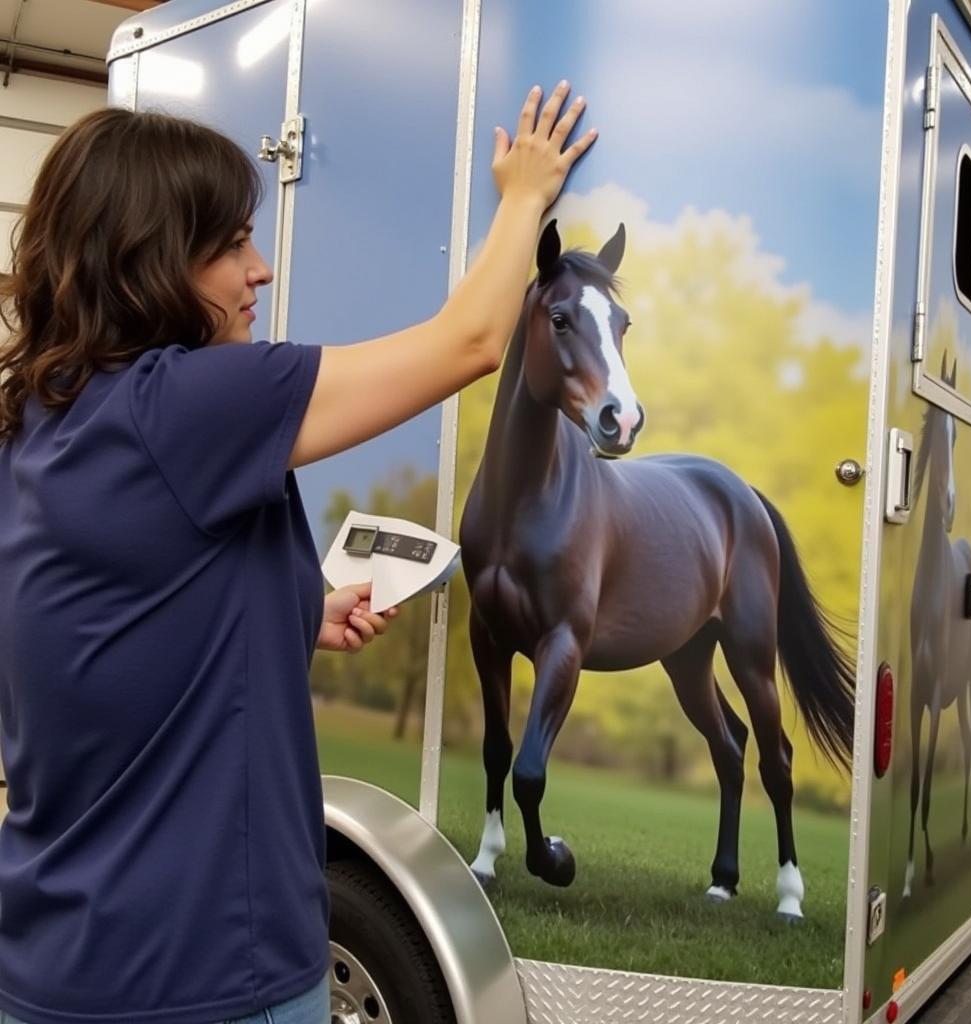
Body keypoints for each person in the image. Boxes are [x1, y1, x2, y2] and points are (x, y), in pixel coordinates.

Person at [0, 82, 596, 1024]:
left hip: (59, 963)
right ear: (150, 261)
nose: (261, 269)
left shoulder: (46, 418)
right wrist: (526, 193)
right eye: (232, 243)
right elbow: (475, 341)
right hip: (205, 976)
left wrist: (296, 611)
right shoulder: (191, 403)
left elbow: (109, 622)